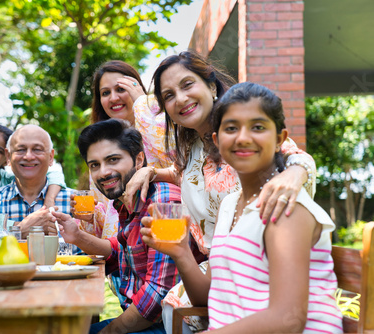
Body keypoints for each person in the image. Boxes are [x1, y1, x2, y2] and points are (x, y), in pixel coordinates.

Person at [124, 51, 317, 332]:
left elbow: (296, 157)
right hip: (220, 267)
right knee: (175, 301)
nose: (180, 98)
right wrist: (151, 171)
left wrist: (295, 173)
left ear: (211, 86)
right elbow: (189, 176)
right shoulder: (194, 148)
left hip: (258, 270)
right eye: (168, 95)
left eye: (187, 84)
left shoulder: (243, 135)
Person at [53, 119, 201, 334]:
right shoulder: (127, 203)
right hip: (144, 320)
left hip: (169, 326)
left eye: (113, 160)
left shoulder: (163, 204)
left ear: (138, 159)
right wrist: (76, 236)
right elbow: (119, 251)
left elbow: (159, 293)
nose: (103, 172)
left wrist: (107, 332)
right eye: (94, 165)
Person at [79, 60, 175, 240]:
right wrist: (89, 218)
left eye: (120, 89)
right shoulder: (100, 150)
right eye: (105, 93)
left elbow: (175, 160)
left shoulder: (164, 122)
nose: (113, 98)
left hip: (163, 229)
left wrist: (142, 102)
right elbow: (107, 215)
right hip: (121, 250)